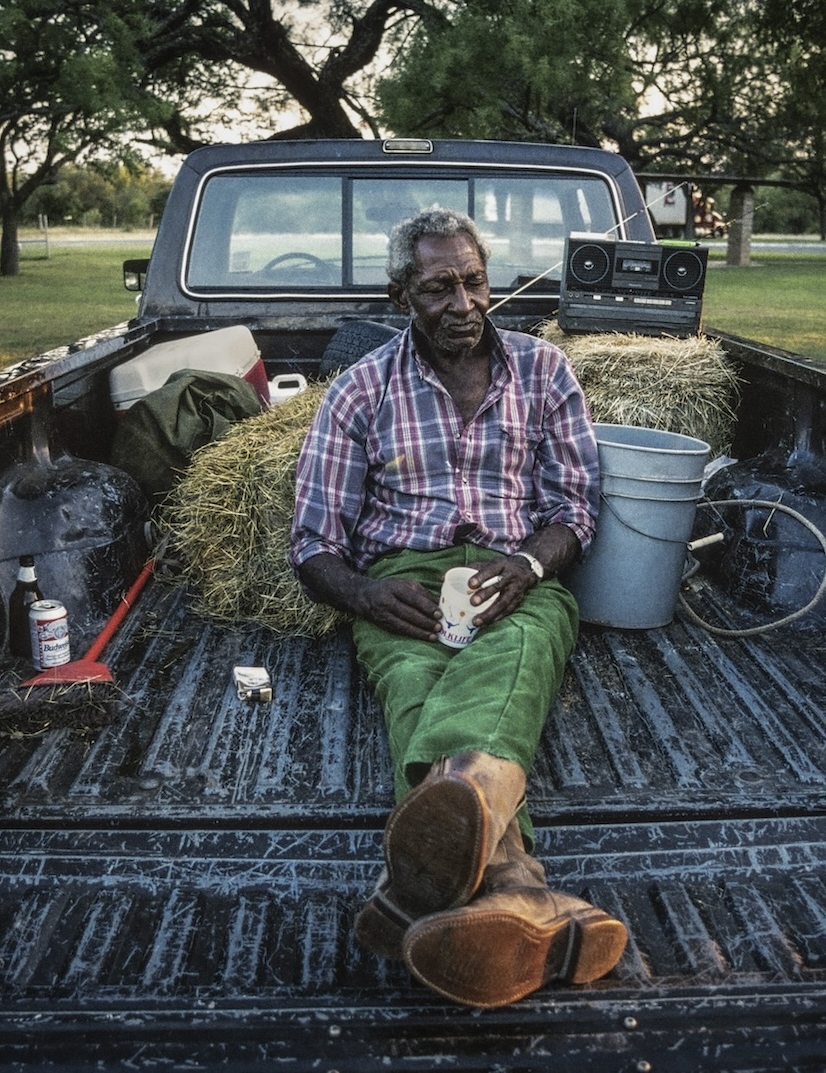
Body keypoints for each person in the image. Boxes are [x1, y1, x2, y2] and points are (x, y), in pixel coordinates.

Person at [289, 208, 628, 1008]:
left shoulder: (546, 370)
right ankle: (516, 885)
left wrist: (530, 564)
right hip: (402, 583)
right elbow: (311, 544)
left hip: (518, 574)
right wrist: (369, 593)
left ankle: (438, 864)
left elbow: (577, 505)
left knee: (514, 655)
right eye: (438, 286)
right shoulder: (359, 390)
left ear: (491, 283)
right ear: (400, 293)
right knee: (414, 678)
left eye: (473, 281)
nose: (461, 302)